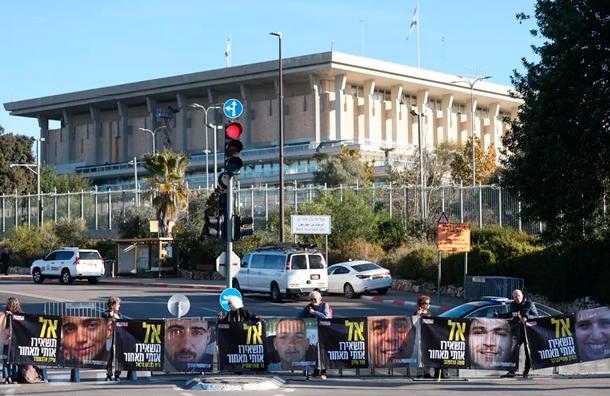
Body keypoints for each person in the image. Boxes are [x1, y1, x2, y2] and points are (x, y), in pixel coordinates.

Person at [497, 289, 538, 378]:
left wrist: (527, 317)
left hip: (528, 332)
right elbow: (510, 314)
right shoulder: (513, 305)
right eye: (515, 296)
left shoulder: (529, 303)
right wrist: (499, 315)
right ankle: (511, 371)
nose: (517, 298)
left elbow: (536, 316)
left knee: (528, 352)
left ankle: (526, 371)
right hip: (517, 331)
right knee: (512, 350)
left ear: (522, 295)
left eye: (518, 296)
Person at [4, 298, 44, 384]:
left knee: (15, 360)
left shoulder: (21, 314)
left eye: (9, 304)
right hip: (7, 340)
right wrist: (7, 316)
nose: (8, 306)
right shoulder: (5, 314)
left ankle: (15, 377)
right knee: (6, 360)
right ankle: (6, 378)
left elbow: (27, 323)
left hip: (17, 341)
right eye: (7, 304)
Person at [414, 295, 448, 378]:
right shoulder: (417, 312)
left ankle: (428, 372)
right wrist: (419, 313)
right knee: (420, 355)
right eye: (424, 303)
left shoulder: (429, 313)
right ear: (420, 304)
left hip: (428, 337)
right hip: (420, 336)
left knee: (427, 354)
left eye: (428, 303)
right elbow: (415, 322)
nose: (426, 305)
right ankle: (421, 372)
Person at [298, 291, 331, 379]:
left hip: (324, 331)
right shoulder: (309, 307)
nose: (313, 301)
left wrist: (314, 313)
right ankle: (315, 371)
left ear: (320, 299)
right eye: (311, 299)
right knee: (313, 351)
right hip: (313, 332)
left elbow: (326, 316)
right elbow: (299, 315)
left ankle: (323, 372)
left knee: (323, 351)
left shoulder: (324, 305)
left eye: (315, 299)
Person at [102, 297, 124, 381]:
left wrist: (116, 317)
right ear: (112, 305)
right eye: (117, 304)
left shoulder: (119, 314)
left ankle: (117, 374)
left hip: (117, 338)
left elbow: (122, 323)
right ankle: (109, 374)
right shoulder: (105, 314)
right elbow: (102, 323)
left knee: (117, 356)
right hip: (108, 338)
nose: (119, 306)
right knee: (109, 357)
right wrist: (110, 316)